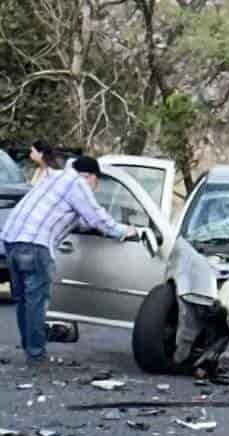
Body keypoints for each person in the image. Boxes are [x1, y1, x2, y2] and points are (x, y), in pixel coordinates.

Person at [0, 156, 140, 367]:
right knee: (36, 302)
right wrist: (125, 231)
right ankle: (36, 357)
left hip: (11, 240)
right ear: (92, 177)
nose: (95, 188)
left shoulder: (54, 178)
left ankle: (30, 349)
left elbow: (72, 216)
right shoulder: (78, 184)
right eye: (96, 183)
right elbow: (97, 218)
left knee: (23, 301)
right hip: (36, 245)